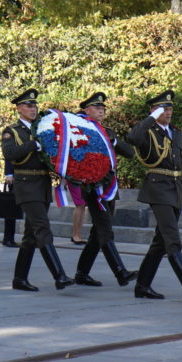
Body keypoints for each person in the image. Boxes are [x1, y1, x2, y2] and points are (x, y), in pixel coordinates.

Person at [127, 90, 182, 302]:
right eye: (163, 109)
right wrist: (151, 118)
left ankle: (142, 286)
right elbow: (132, 137)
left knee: (160, 242)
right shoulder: (148, 132)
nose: (169, 112)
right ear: (154, 111)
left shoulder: (176, 133)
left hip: (176, 191)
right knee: (172, 239)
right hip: (158, 190)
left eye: (170, 108)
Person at [1, 88, 74, 291]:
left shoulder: (42, 129)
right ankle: (59, 275)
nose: (32, 109)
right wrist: (32, 145)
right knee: (42, 228)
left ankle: (19, 279)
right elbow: (10, 153)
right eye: (28, 105)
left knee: (31, 235)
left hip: (42, 184)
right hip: (26, 184)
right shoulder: (12, 131)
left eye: (34, 105)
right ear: (19, 108)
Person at [73, 92, 137, 287]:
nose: (101, 110)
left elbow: (130, 153)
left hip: (109, 187)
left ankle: (82, 273)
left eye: (103, 108)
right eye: (96, 107)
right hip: (93, 188)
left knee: (98, 232)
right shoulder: (80, 130)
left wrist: (114, 141)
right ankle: (120, 272)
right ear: (87, 110)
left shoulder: (107, 131)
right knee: (105, 229)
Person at [2, 161, 19, 247]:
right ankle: (8, 238)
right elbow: (9, 155)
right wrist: (9, 174)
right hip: (16, 177)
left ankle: (33, 239)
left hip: (30, 178)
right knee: (11, 209)